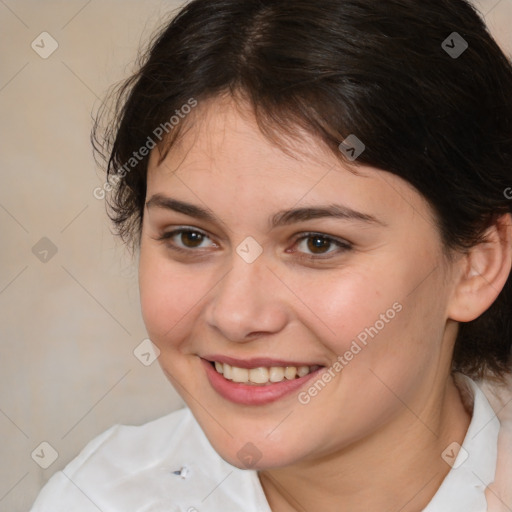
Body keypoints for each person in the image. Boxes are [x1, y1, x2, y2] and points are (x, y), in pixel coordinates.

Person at [31, 0, 512, 510]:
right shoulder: (98, 497)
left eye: (317, 243)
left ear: (475, 265)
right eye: (191, 237)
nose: (235, 316)